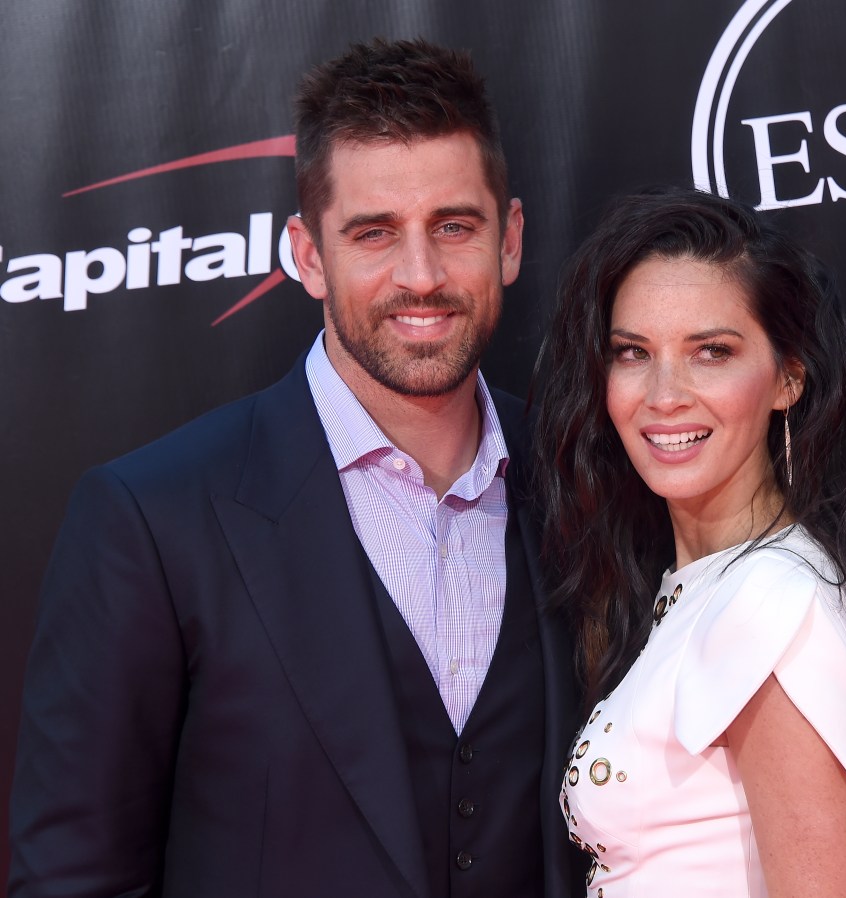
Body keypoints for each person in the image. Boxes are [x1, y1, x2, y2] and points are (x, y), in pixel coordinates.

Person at [9, 38, 580, 898]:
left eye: (454, 227)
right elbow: (71, 877)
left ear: (510, 241)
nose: (420, 276)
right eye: (374, 233)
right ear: (309, 256)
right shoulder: (151, 517)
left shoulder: (583, 481)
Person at [535, 187, 846, 897]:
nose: (664, 394)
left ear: (788, 377)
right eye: (633, 353)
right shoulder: (704, 584)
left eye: (710, 352)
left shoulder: (770, 606)